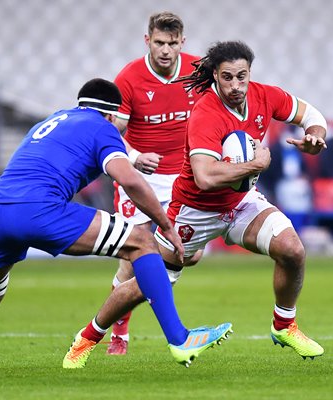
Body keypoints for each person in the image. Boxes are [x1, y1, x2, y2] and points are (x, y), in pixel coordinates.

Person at [0, 78, 232, 378]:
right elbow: (131, 181)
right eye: (121, 117)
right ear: (111, 113)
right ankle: (179, 338)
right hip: (40, 208)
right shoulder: (102, 127)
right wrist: (165, 225)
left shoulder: (51, 121)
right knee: (142, 241)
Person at [70, 41, 327, 364]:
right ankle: (88, 337)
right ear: (216, 77)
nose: (236, 85)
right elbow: (205, 177)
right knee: (145, 283)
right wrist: (255, 165)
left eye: (242, 76)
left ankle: (284, 325)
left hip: (241, 202)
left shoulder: (265, 95)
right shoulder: (206, 113)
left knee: (292, 249)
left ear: (250, 73)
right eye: (228, 77)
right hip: (195, 212)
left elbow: (310, 114)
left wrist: (316, 134)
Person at [106, 11, 204, 355]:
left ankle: (143, 289)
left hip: (184, 177)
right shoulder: (130, 78)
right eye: (159, 43)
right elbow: (112, 131)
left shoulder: (198, 72)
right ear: (147, 40)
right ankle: (119, 328)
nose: (165, 50)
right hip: (141, 179)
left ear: (182, 43)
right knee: (134, 252)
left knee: (190, 254)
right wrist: (133, 157)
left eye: (172, 44)